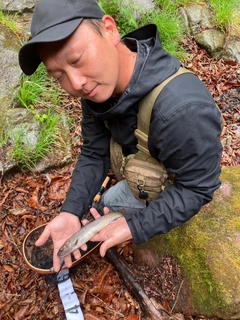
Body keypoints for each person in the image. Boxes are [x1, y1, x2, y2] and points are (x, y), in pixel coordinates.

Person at [19, 0, 223, 272]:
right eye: (59, 76)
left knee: (110, 204)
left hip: (177, 180)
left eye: (77, 60)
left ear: (110, 30)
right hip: (139, 157)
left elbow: (198, 187)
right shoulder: (96, 85)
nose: (75, 84)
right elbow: (94, 150)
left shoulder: (182, 110)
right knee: (103, 206)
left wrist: (135, 226)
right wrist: (70, 211)